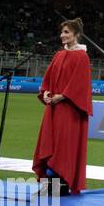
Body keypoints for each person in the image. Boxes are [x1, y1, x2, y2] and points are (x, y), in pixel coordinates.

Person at [32, 18, 92, 196]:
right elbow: (48, 78)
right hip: (53, 108)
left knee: (63, 146)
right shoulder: (58, 55)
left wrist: (63, 96)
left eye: (66, 32)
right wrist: (45, 92)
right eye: (62, 32)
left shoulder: (82, 56)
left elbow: (80, 84)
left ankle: (61, 184)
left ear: (77, 35)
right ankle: (49, 184)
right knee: (50, 142)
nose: (62, 35)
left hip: (69, 109)